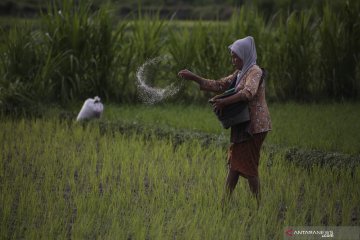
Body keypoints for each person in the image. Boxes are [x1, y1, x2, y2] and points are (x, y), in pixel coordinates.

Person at [178, 36, 271, 204]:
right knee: (235, 164)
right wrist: (194, 77)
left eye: (237, 56)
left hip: (254, 126)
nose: (233, 60)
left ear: (246, 55)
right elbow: (219, 85)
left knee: (248, 166)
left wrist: (224, 101)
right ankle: (224, 203)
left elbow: (248, 93)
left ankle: (259, 205)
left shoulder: (255, 71)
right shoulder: (240, 73)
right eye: (232, 56)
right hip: (242, 123)